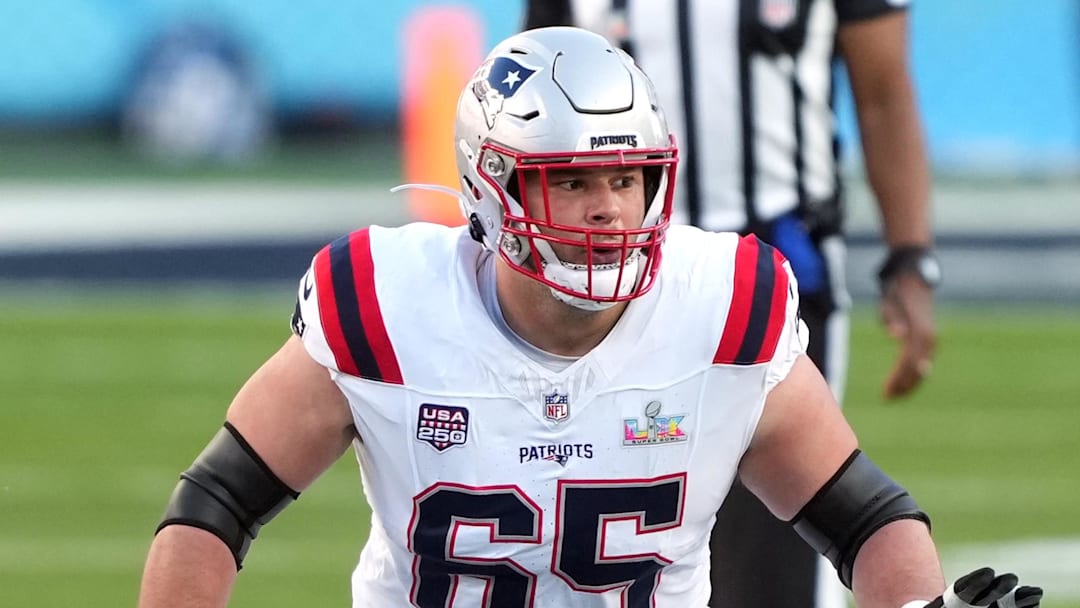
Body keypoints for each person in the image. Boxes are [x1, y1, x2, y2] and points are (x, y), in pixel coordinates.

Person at [137, 27, 1039, 608]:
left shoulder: (722, 306)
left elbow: (870, 522)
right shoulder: (388, 303)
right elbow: (214, 506)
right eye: (570, 181)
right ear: (492, 187)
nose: (609, 208)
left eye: (626, 177)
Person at [522, 2, 941, 606]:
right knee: (600, 542)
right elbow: (530, 105)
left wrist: (911, 256)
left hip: (773, 281)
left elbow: (883, 90)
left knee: (777, 561)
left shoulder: (762, 297)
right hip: (608, 282)